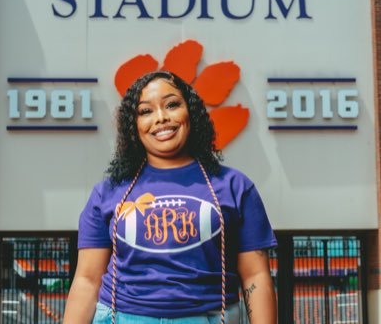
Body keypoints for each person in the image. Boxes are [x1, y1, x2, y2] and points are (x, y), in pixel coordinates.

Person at [63, 71, 277, 324]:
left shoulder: (235, 186)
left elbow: (255, 276)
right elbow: (87, 280)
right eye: (145, 111)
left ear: (191, 113)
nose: (161, 118)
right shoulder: (108, 192)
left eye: (172, 104)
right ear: (134, 126)